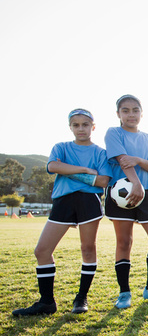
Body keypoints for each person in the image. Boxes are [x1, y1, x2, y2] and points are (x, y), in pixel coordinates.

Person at [12, 109, 111, 316]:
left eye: (85, 124)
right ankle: (47, 302)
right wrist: (84, 170)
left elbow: (102, 181)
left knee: (87, 249)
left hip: (88, 201)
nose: (80, 128)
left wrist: (68, 171)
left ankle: (81, 298)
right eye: (76, 125)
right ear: (70, 127)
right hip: (63, 201)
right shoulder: (61, 147)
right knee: (42, 250)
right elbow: (53, 166)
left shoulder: (100, 153)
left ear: (93, 127)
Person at [105, 94, 148, 308]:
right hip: (121, 194)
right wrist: (135, 184)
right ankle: (124, 293)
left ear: (141, 113)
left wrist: (140, 161)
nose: (131, 114)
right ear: (118, 114)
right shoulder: (113, 133)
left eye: (135, 110)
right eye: (125, 110)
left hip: (147, 193)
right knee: (124, 242)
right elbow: (123, 161)